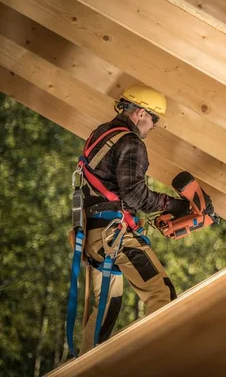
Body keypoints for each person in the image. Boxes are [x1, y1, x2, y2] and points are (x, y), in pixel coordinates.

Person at [77, 84, 190, 354]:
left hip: (92, 236)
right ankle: (163, 362)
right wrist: (176, 205)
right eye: (154, 120)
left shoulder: (101, 134)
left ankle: (82, 367)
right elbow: (135, 195)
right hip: (114, 235)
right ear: (140, 113)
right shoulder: (130, 141)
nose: (153, 128)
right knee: (161, 294)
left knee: (107, 305)